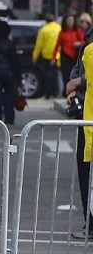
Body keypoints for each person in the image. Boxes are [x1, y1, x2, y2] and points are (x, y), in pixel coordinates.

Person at [66, 22, 93, 240]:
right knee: (85, 171)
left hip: (90, 118)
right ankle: (90, 222)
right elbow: (80, 66)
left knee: (87, 171)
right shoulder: (89, 35)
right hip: (86, 112)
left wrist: (78, 82)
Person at [53, 13, 84, 96]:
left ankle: (73, 90)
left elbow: (83, 42)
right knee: (65, 74)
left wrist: (78, 43)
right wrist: (54, 57)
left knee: (74, 73)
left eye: (71, 20)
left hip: (75, 55)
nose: (70, 22)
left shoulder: (77, 31)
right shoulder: (62, 32)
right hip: (65, 56)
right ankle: (66, 90)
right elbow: (57, 45)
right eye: (68, 20)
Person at [32, 13, 62, 99]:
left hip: (46, 56)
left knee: (47, 76)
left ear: (46, 20)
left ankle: (47, 94)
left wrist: (35, 56)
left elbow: (39, 45)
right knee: (56, 75)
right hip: (57, 55)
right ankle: (56, 93)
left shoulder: (43, 30)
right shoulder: (58, 28)